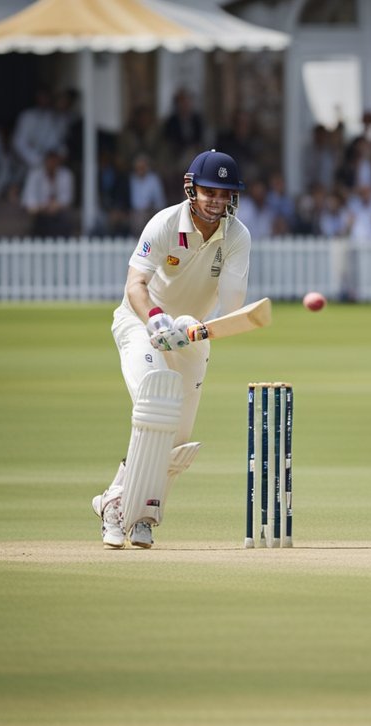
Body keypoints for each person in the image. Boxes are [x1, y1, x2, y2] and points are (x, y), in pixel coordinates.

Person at [91, 149, 251, 549]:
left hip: (190, 335)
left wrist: (198, 329)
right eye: (209, 191)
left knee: (177, 439)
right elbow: (135, 285)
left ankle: (140, 512)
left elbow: (231, 310)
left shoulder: (237, 236)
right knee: (154, 406)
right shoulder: (164, 223)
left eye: (223, 192)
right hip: (142, 323)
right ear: (192, 188)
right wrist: (157, 319)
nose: (216, 200)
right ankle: (115, 508)